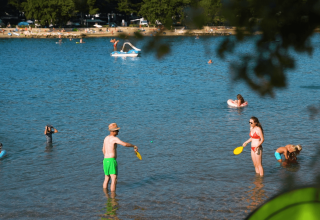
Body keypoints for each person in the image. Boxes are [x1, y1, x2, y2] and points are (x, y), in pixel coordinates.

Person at [102, 123, 138, 192]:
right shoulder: (114, 139)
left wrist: (107, 157)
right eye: (117, 130)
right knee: (114, 179)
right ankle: (113, 197)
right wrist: (133, 146)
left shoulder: (106, 138)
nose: (118, 132)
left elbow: (103, 150)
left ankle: (105, 195)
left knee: (106, 178)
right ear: (113, 131)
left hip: (105, 160)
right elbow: (125, 144)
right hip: (111, 161)